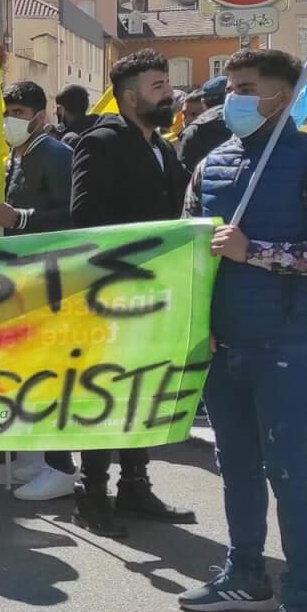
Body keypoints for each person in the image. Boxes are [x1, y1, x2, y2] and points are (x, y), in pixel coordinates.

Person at [181, 48, 307, 612]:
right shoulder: (212, 164)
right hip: (223, 344)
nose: (232, 98)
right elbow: (188, 255)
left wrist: (253, 252)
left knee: (290, 475)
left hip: (288, 345)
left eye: (246, 87)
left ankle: (303, 603)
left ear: (283, 96)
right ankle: (244, 575)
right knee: (235, 469)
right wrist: (195, 323)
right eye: (229, 86)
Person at [68, 49, 193, 535]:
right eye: (158, 86)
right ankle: (91, 491)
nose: (168, 93)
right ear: (128, 96)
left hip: (157, 287)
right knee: (109, 391)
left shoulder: (160, 145)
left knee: (144, 387)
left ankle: (135, 485)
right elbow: (86, 215)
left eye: (167, 83)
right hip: (113, 288)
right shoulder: (101, 141)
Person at [0, 82, 79, 504]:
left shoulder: (55, 155)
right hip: (22, 280)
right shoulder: (15, 154)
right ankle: (39, 455)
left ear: (40, 116)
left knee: (47, 374)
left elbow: (71, 215)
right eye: (7, 110)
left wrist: (20, 218)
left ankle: (62, 467)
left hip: (52, 279)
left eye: (21, 111)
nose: (12, 118)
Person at [177, 76, 232, 177]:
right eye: (184, 114)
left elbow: (183, 178)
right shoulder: (252, 123)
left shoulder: (194, 131)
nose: (187, 120)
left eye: (194, 114)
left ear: (203, 104)